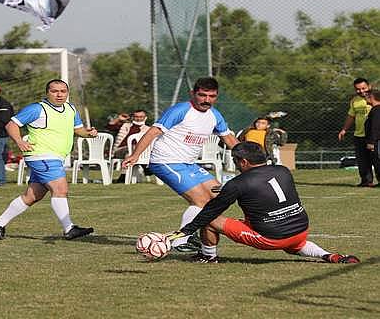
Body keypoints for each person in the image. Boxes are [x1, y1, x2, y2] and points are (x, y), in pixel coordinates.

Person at [167, 141, 360, 264]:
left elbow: (210, 211)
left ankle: (207, 256)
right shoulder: (283, 170)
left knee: (211, 219)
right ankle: (329, 255)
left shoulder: (238, 183)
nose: (234, 164)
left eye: (235, 161)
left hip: (272, 239)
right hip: (300, 230)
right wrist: (230, 189)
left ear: (243, 162)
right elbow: (263, 188)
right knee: (291, 239)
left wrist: (184, 231)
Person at [122, 77, 238, 252]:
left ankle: (197, 237)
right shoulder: (180, 110)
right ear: (193, 94)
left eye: (211, 96)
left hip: (189, 164)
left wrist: (253, 159)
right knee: (201, 200)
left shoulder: (215, 115)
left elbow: (228, 138)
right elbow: (154, 131)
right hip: (166, 161)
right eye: (202, 95)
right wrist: (136, 155)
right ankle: (180, 241)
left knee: (220, 195)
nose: (206, 100)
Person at [0, 79, 97, 240]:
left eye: (63, 91)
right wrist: (19, 141)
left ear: (67, 93)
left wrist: (88, 133)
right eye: (54, 91)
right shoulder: (37, 109)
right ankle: (69, 228)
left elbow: (78, 129)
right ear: (47, 93)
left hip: (55, 157)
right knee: (60, 189)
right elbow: (11, 125)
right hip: (41, 155)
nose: (59, 94)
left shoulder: (71, 109)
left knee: (32, 196)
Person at [338, 78, 375, 187]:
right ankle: (366, 181)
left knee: (377, 159)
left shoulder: (376, 98)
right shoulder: (354, 101)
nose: (361, 91)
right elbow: (351, 116)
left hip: (375, 135)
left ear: (369, 87)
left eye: (364, 88)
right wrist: (344, 129)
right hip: (359, 135)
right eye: (358, 89)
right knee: (362, 160)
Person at [112, 110, 150, 183]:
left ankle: (123, 177)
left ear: (145, 118)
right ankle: (146, 168)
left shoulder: (148, 129)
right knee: (132, 148)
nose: (138, 119)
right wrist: (119, 119)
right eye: (136, 117)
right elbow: (110, 127)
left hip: (138, 153)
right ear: (133, 117)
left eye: (141, 117)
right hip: (121, 150)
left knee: (131, 151)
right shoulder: (125, 125)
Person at [364, 90, 380, 181]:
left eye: (366, 96)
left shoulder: (376, 110)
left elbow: (375, 127)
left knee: (378, 160)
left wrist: (371, 142)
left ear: (372, 97)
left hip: (377, 141)